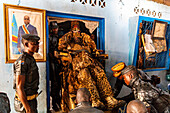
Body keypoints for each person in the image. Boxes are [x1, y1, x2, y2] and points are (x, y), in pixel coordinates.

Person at [57, 21, 125, 112]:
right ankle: (95, 100)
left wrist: (95, 51)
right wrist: (69, 35)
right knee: (85, 75)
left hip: (89, 62)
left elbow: (93, 47)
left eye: (78, 31)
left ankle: (108, 98)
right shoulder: (68, 39)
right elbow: (61, 46)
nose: (77, 33)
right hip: (77, 64)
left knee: (99, 72)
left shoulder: (85, 38)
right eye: (74, 30)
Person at [13, 34, 40, 113]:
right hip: (24, 103)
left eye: (38, 43)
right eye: (34, 44)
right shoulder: (23, 61)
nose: (37, 46)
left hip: (31, 100)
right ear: (26, 44)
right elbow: (19, 86)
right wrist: (27, 108)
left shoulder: (30, 59)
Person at [49, 21, 61, 111]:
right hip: (53, 62)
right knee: (54, 83)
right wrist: (53, 56)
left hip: (59, 62)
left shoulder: (60, 37)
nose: (55, 30)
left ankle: (58, 102)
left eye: (56, 28)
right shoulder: (49, 37)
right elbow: (49, 51)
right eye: (53, 28)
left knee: (59, 83)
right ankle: (54, 104)